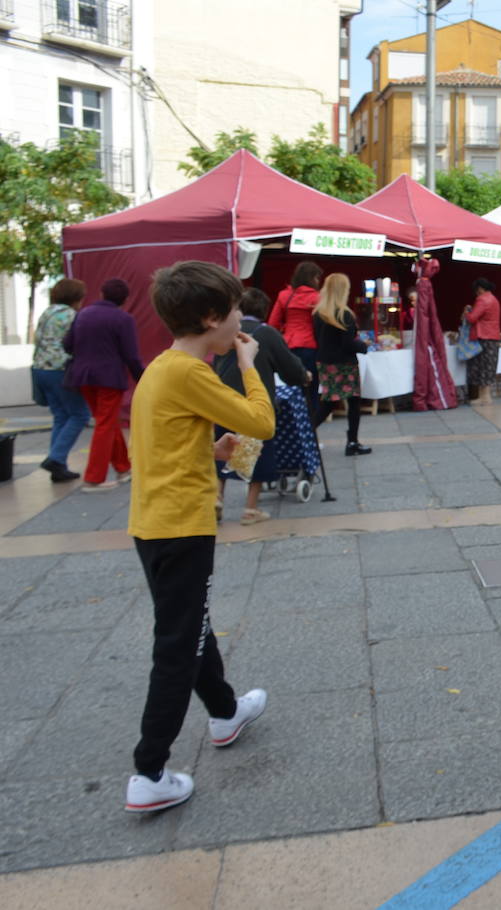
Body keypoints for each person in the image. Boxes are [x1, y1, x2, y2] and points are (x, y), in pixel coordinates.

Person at [123, 260, 275, 813]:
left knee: (191, 625)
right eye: (235, 308)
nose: (240, 317)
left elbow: (157, 441)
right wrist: (248, 362)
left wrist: (206, 452)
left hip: (155, 522)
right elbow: (261, 422)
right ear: (212, 317)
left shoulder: (164, 368)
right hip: (181, 527)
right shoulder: (192, 372)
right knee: (178, 645)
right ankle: (149, 772)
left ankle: (226, 711)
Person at [213, 288, 310, 524]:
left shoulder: (227, 333)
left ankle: (216, 498)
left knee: (220, 451)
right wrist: (303, 376)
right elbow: (289, 368)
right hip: (253, 400)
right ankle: (250, 508)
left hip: (222, 400)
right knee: (258, 450)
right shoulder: (266, 334)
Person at [63, 277, 143, 491]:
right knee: (105, 424)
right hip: (109, 378)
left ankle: (123, 468)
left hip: (83, 377)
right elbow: (131, 356)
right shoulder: (123, 319)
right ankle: (93, 478)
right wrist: (142, 379)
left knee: (106, 421)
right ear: (125, 299)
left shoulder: (83, 314)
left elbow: (67, 344)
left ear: (101, 294)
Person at [31, 278, 90, 482]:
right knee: (80, 414)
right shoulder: (72, 316)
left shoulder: (47, 313)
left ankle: (59, 466)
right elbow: (78, 343)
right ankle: (56, 458)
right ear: (75, 298)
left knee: (60, 416)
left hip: (40, 369)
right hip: (61, 369)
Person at [311, 273, 372, 455]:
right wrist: (363, 345)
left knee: (329, 402)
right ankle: (352, 441)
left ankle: (306, 433)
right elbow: (348, 343)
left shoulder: (319, 313)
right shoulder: (344, 314)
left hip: (325, 362)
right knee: (353, 403)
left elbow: (319, 339)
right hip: (345, 364)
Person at [268, 261, 323, 414]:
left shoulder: (284, 295)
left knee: (291, 388)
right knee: (311, 391)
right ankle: (310, 429)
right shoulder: (317, 298)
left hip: (288, 345)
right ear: (312, 278)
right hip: (310, 346)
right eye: (317, 278)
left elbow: (273, 323)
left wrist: (286, 330)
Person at [465, 277, 501, 406]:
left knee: (482, 367)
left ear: (480, 289)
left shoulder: (482, 300)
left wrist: (466, 313)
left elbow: (472, 318)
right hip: (493, 336)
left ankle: (484, 397)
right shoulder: (493, 299)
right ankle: (485, 396)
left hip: (484, 336)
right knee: (489, 366)